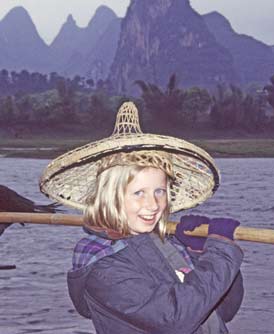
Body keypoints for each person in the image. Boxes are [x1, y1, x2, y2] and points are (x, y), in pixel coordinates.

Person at [39, 102, 244, 333]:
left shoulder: (168, 245)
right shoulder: (104, 269)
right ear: (109, 199)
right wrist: (221, 251)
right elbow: (176, 319)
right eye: (139, 193)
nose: (153, 204)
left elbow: (224, 311)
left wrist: (200, 255)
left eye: (160, 191)